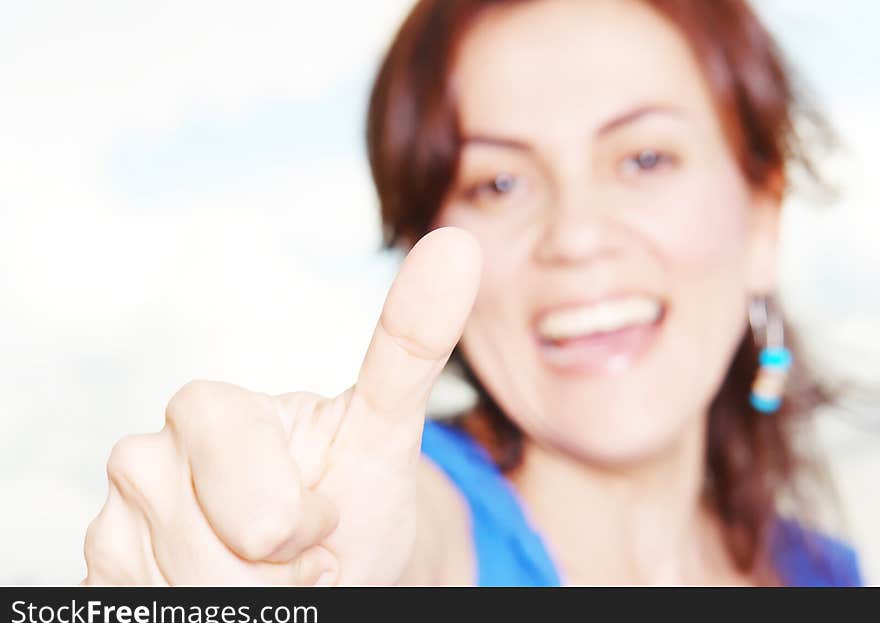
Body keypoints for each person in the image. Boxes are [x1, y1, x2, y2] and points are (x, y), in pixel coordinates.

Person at [82, 0, 864, 586]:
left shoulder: (827, 573)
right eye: (498, 182)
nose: (577, 235)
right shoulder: (419, 532)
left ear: (763, 218)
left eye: (645, 159)